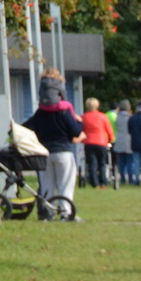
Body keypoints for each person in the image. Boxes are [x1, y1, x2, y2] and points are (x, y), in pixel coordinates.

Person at [25, 72, 82, 213]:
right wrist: (80, 123)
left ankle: (47, 212)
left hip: (44, 153)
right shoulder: (64, 112)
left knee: (47, 186)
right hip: (63, 151)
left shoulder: (40, 112)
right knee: (65, 185)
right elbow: (75, 132)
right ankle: (65, 212)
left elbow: (28, 127)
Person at [80, 97, 114, 188]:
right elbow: (108, 129)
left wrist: (81, 140)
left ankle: (95, 183)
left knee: (92, 163)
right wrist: (111, 139)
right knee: (102, 163)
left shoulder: (84, 117)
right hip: (101, 142)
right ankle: (103, 182)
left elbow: (81, 130)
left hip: (89, 142)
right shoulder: (103, 116)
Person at [111, 100, 136, 184]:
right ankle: (130, 179)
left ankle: (122, 178)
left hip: (119, 140)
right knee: (130, 162)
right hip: (129, 141)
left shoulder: (117, 117)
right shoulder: (130, 118)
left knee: (121, 162)